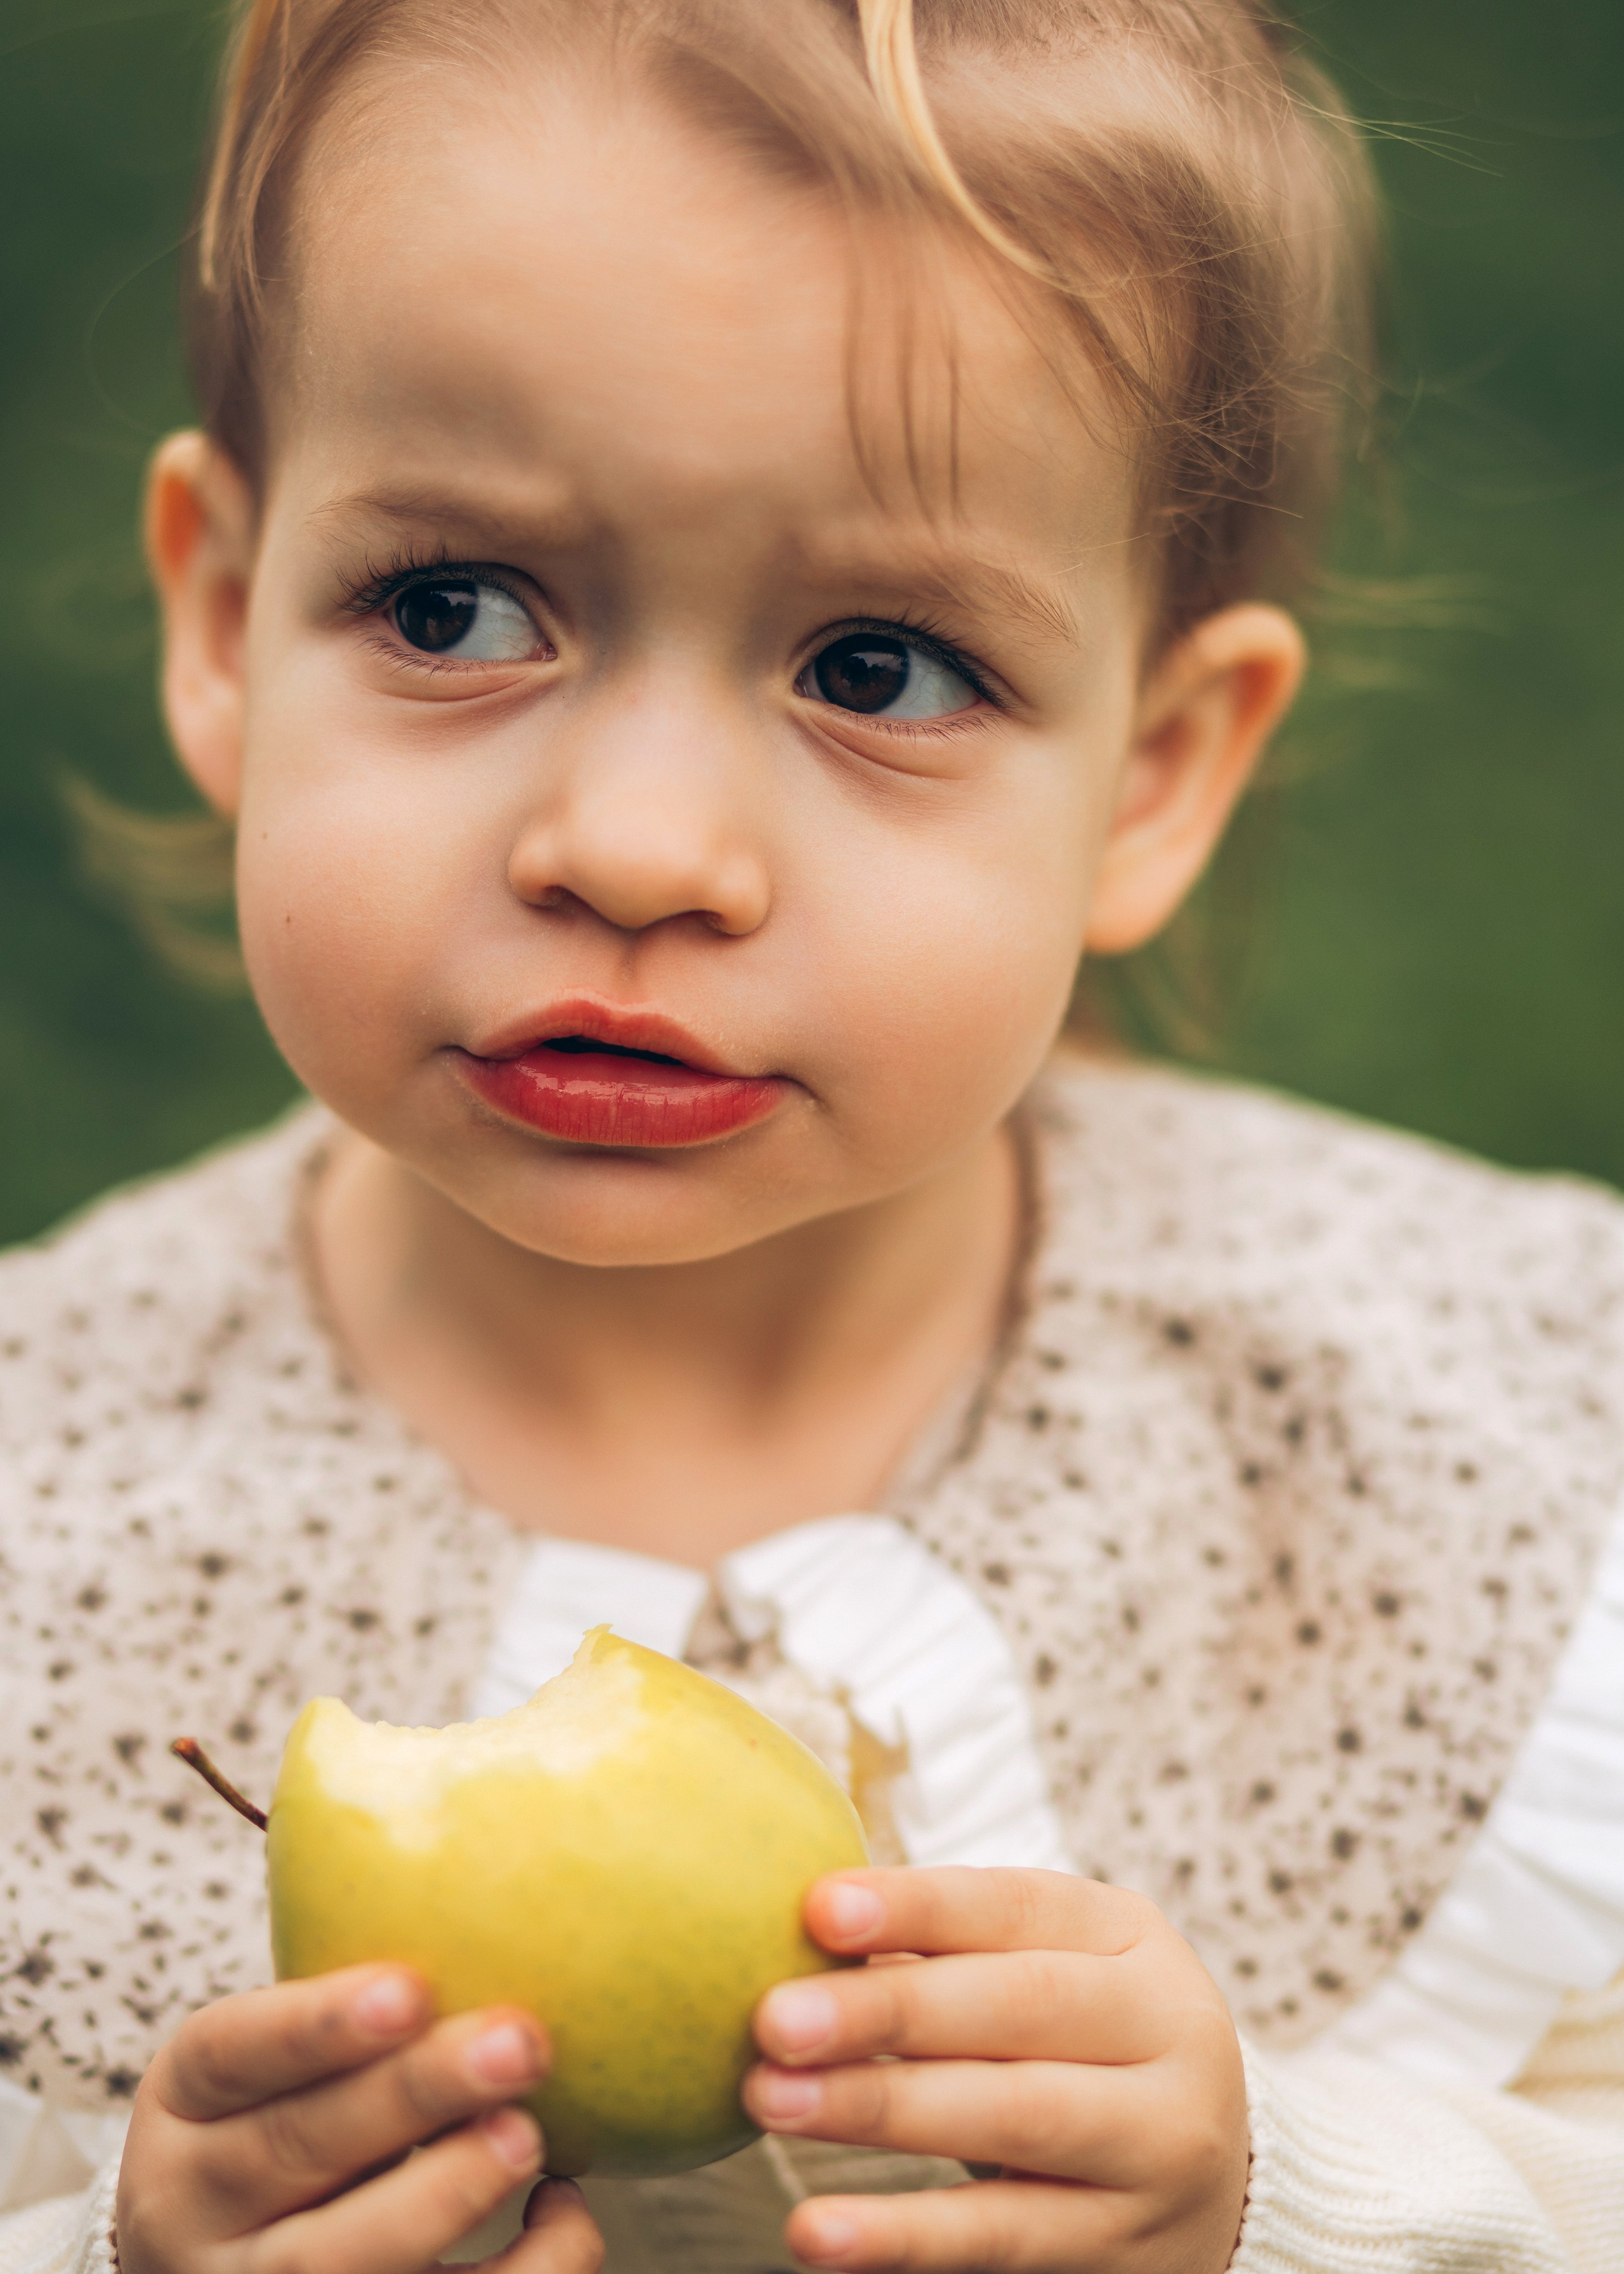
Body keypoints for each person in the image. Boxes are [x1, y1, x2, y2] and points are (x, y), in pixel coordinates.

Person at [2, 1, 1621, 2269]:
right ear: (221, 626)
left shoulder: (1498, 1442)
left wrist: (1291, 2199)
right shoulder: (39, 1525)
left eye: (881, 667)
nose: (642, 847)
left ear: (1157, 772)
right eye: (456, 609)